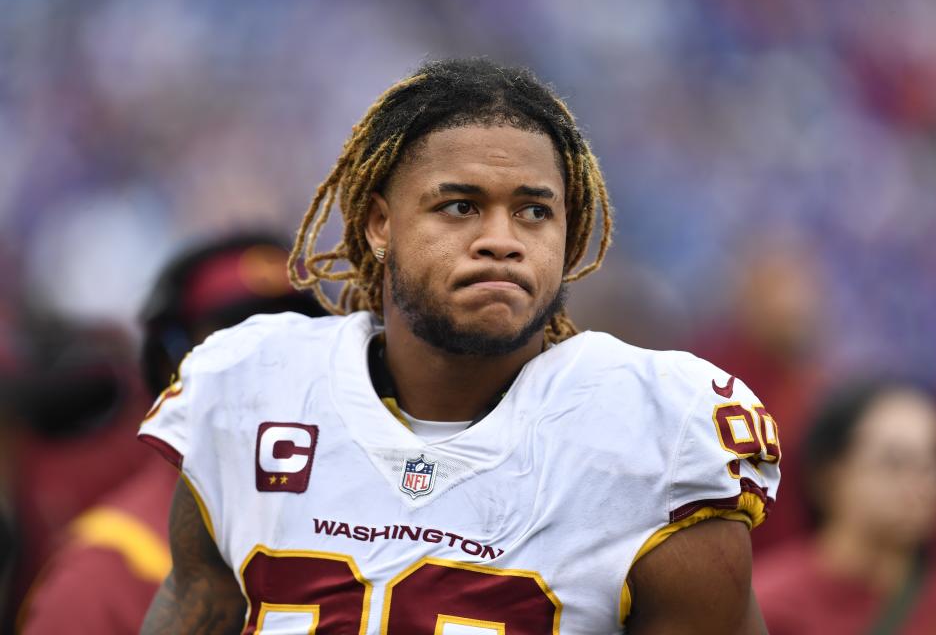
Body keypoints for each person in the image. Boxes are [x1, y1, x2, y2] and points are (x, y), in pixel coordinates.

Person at [139, 58, 781, 634]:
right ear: (379, 223)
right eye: (460, 207)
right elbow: (201, 598)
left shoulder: (659, 435)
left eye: (534, 212)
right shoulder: (253, 383)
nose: (501, 239)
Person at [17, 233, 327, 634]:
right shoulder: (109, 573)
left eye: (299, 338)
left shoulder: (364, 534)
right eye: (235, 339)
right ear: (170, 362)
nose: (273, 365)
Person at [754, 378, 936, 634]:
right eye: (895, 462)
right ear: (829, 476)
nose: (921, 484)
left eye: (933, 464)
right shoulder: (769, 606)